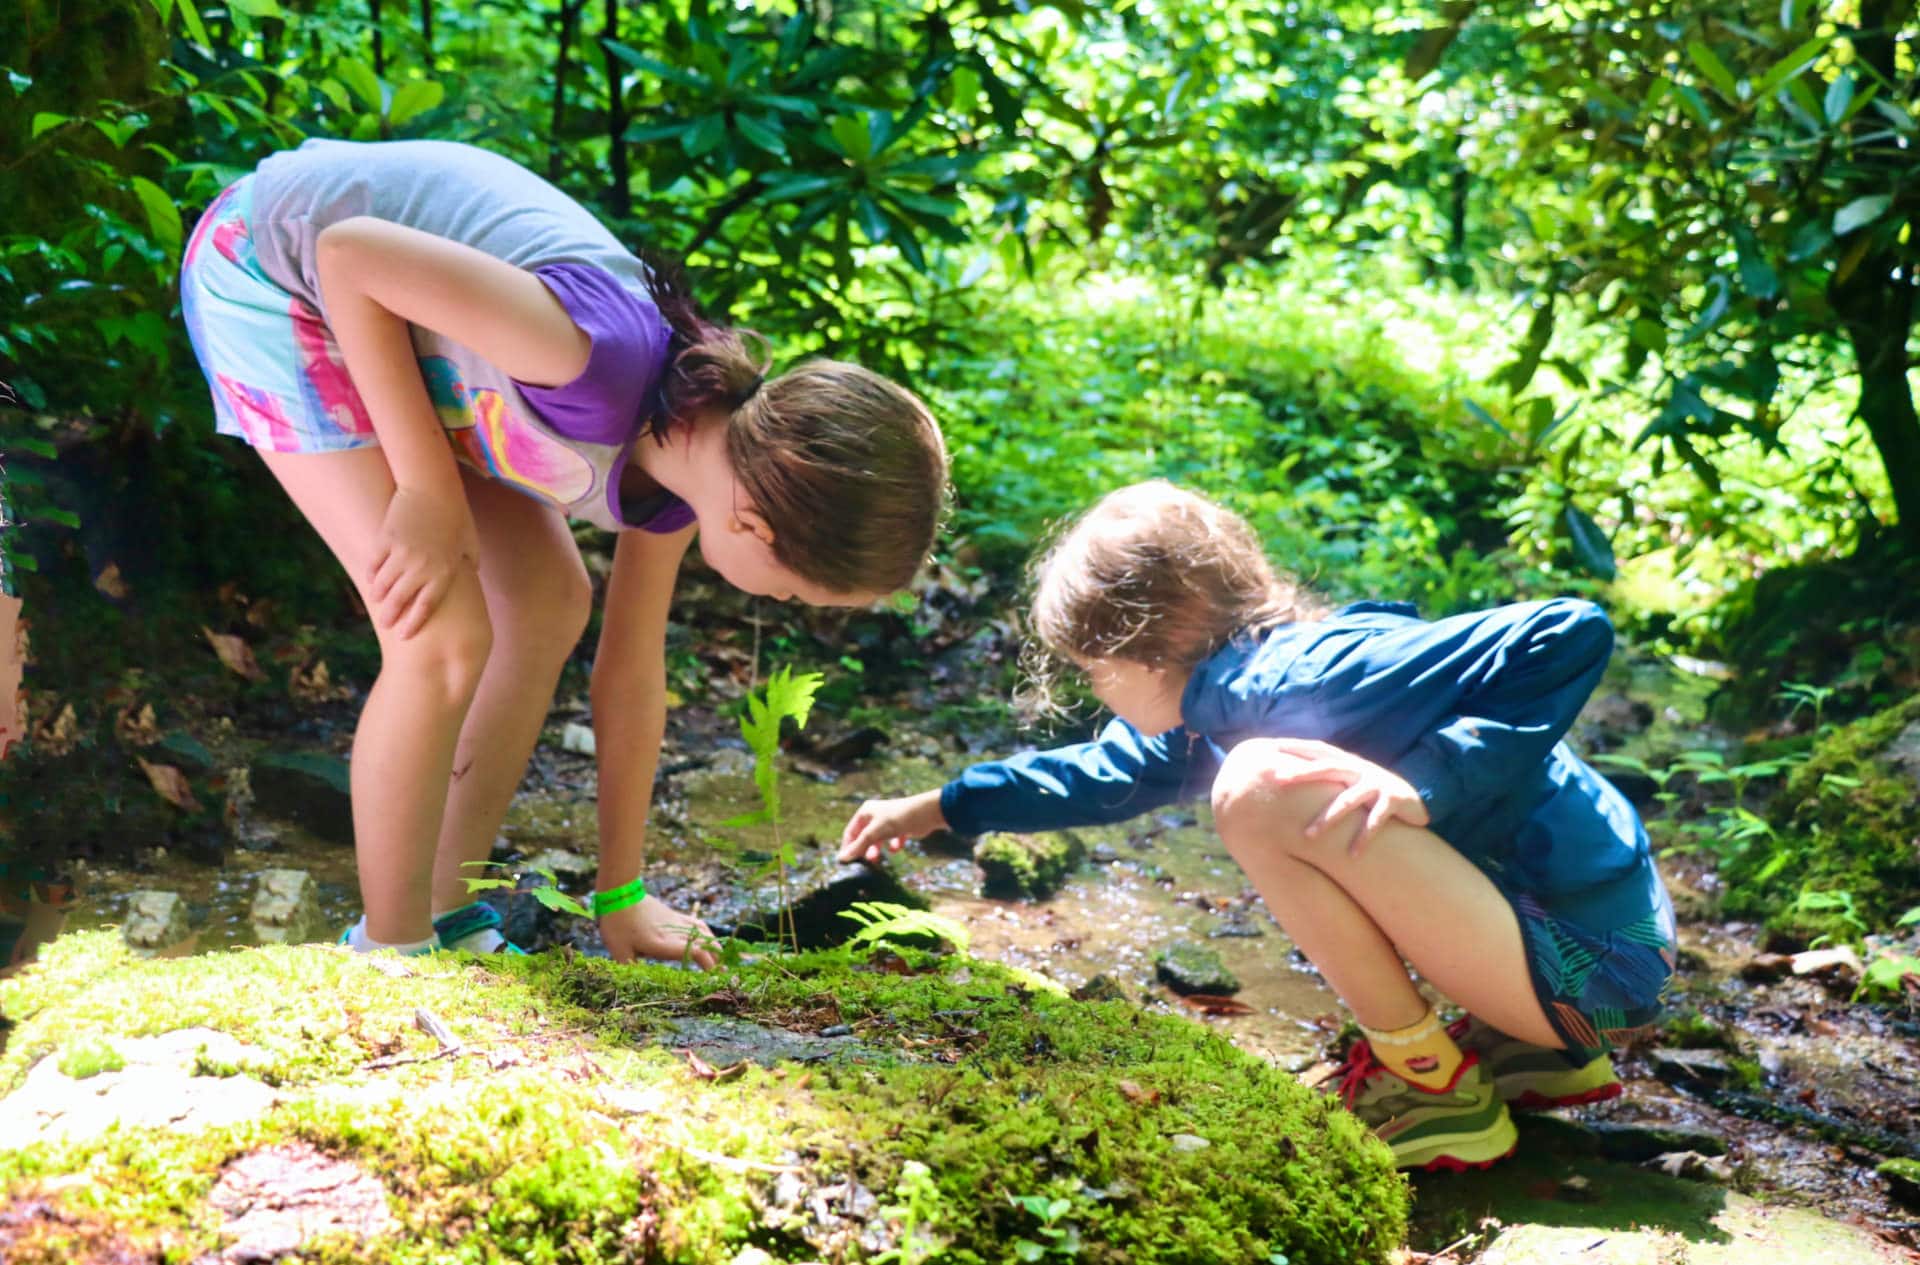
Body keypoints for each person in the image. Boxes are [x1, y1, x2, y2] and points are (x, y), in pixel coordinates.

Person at [180, 139, 947, 966]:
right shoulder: (593, 359)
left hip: (413, 347)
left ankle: (444, 908)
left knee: (548, 601)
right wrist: (428, 493)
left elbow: (629, 674)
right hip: (274, 269)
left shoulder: (689, 478)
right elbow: (349, 254)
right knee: (442, 633)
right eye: (795, 595)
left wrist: (621, 893)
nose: (781, 607)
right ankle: (389, 952)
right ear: (761, 526)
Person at [836, 481, 1674, 1170]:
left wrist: (1424, 784)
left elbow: (1569, 632)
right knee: (1264, 780)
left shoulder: (1302, 677)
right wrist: (941, 806)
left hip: (1595, 963)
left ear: (1145, 652)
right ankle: (1523, 1051)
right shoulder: (1228, 695)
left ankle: (1431, 1086)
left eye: (1095, 673)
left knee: (1255, 789)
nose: (1098, 696)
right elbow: (1098, 777)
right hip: (1583, 952)